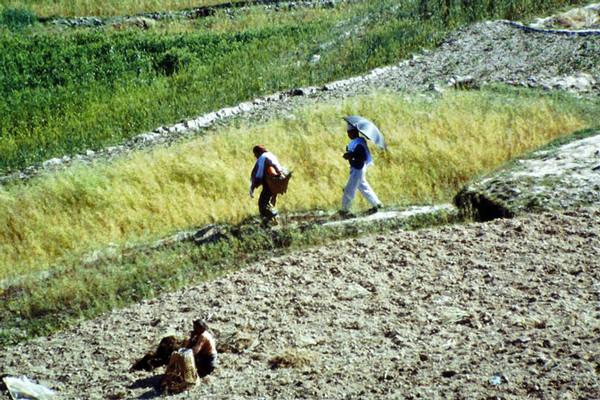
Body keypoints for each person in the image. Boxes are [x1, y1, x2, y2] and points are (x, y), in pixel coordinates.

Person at [340, 123, 383, 216]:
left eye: (349, 132)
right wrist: (350, 155)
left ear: (353, 132)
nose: (348, 134)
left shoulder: (359, 143)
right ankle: (377, 204)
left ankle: (344, 210)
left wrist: (350, 155)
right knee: (364, 187)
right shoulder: (358, 142)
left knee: (349, 189)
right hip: (358, 168)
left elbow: (361, 156)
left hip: (357, 169)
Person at [249, 145, 283, 223]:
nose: (255, 156)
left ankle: (274, 215)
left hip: (271, 182)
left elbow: (259, 174)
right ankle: (270, 221)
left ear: (259, 152)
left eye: (255, 154)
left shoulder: (262, 157)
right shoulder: (270, 155)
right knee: (267, 202)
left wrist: (254, 185)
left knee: (262, 205)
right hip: (277, 181)